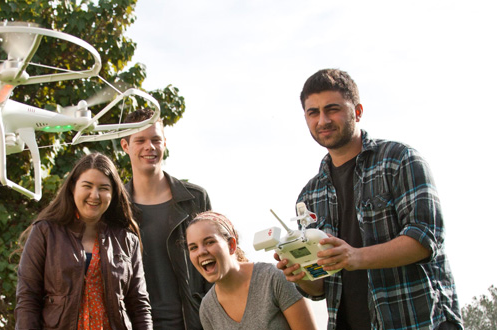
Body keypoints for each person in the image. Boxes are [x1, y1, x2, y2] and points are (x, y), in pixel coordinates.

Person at [276, 68, 462, 329]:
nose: (323, 120)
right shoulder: (309, 195)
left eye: (332, 109)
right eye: (313, 112)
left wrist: (355, 256)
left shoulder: (400, 160)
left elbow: (425, 238)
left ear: (358, 111)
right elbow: (320, 287)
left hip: (417, 322)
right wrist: (300, 275)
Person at [15, 152, 152, 329]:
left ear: (113, 193)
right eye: (87, 185)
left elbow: (139, 305)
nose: (94, 195)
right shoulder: (45, 232)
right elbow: (27, 298)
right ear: (73, 188)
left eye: (103, 188)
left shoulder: (127, 240)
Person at [120, 108, 212, 330]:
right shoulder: (115, 207)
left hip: (194, 324)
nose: (148, 147)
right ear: (125, 146)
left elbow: (218, 267)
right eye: (140, 140)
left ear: (164, 143)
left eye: (155, 140)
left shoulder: (195, 199)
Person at [186, 211, 316, 330]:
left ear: (231, 245)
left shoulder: (273, 278)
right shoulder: (207, 308)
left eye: (209, 242)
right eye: (193, 248)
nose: (201, 252)